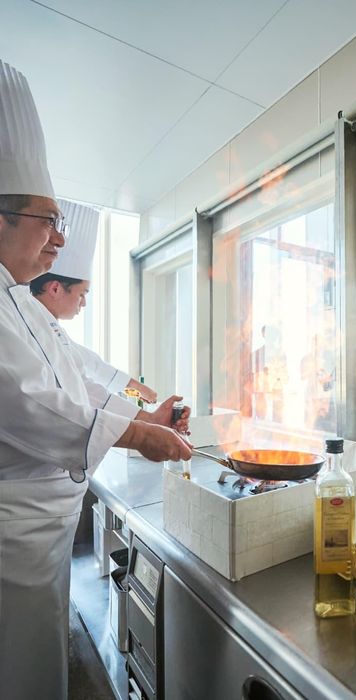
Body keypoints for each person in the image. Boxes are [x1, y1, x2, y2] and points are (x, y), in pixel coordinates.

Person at [0, 60, 192, 700]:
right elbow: (31, 405)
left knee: (43, 659)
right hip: (12, 536)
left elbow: (92, 377)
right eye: (45, 220)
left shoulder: (22, 305)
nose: (56, 238)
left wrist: (150, 412)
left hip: (43, 534)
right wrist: (140, 433)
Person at [29, 198, 157, 402]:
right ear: (55, 288)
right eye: (82, 294)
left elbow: (88, 363)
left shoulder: (48, 325)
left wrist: (133, 387)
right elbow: (81, 385)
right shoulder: (31, 323)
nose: (84, 304)